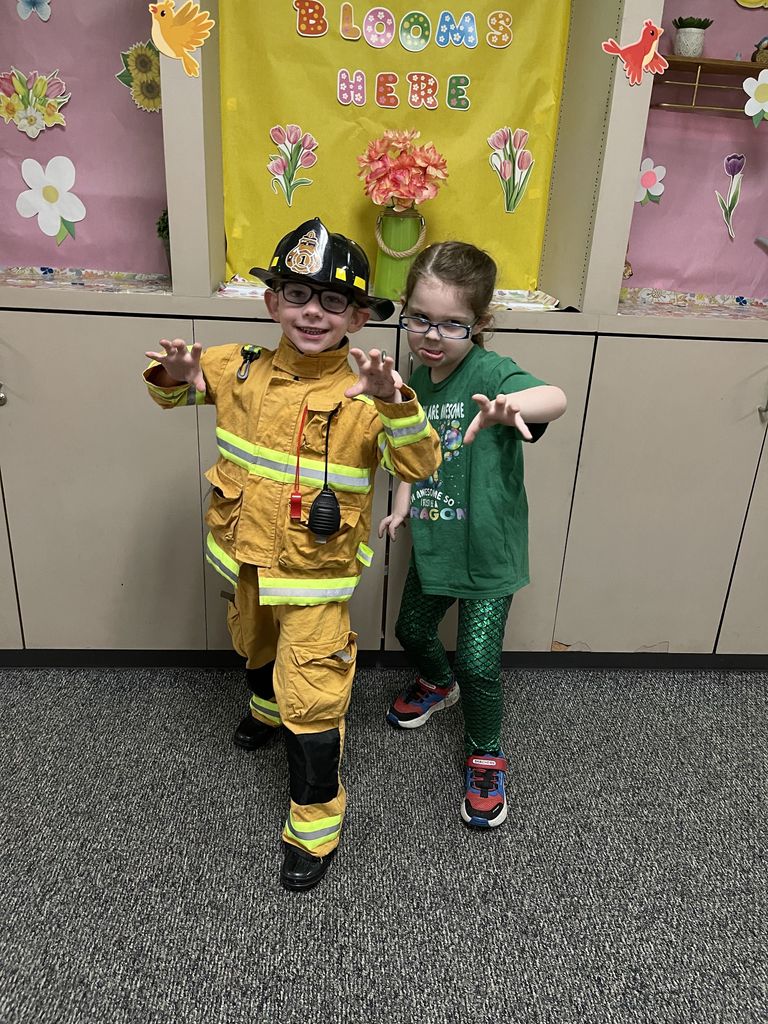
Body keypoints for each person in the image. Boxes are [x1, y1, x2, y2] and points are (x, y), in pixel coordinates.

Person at [144, 218, 441, 890]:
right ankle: (264, 712)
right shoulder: (238, 367)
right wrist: (174, 373)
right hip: (244, 560)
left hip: (313, 580)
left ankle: (314, 826)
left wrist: (396, 403)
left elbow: (421, 465)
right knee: (253, 644)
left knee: (313, 696)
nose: (313, 312)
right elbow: (168, 392)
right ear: (272, 301)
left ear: (358, 318)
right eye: (299, 295)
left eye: (334, 301)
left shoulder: (369, 393)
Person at [379, 241, 567, 829]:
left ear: (480, 323)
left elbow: (555, 398)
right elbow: (411, 447)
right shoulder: (417, 377)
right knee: (411, 629)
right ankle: (438, 683)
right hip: (435, 543)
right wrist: (402, 504)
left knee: (480, 666)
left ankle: (485, 753)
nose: (432, 336)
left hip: (487, 551)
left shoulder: (489, 372)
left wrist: (513, 406)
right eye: (419, 319)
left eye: (452, 324)